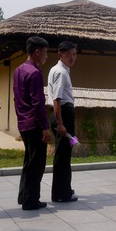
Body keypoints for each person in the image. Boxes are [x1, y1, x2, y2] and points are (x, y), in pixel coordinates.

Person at [13, 36, 53, 210]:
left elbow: (17, 98)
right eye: (45, 53)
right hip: (34, 123)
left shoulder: (19, 70)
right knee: (37, 163)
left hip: (23, 121)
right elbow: (38, 103)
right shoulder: (34, 73)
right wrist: (45, 127)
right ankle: (31, 200)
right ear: (37, 52)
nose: (46, 57)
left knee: (29, 161)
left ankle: (24, 195)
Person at [47, 41, 78, 202]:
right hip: (62, 113)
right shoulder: (60, 72)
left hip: (65, 112)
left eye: (74, 54)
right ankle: (60, 193)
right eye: (68, 54)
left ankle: (65, 188)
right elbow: (57, 99)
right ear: (60, 55)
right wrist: (60, 123)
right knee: (62, 155)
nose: (72, 58)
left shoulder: (63, 70)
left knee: (65, 153)